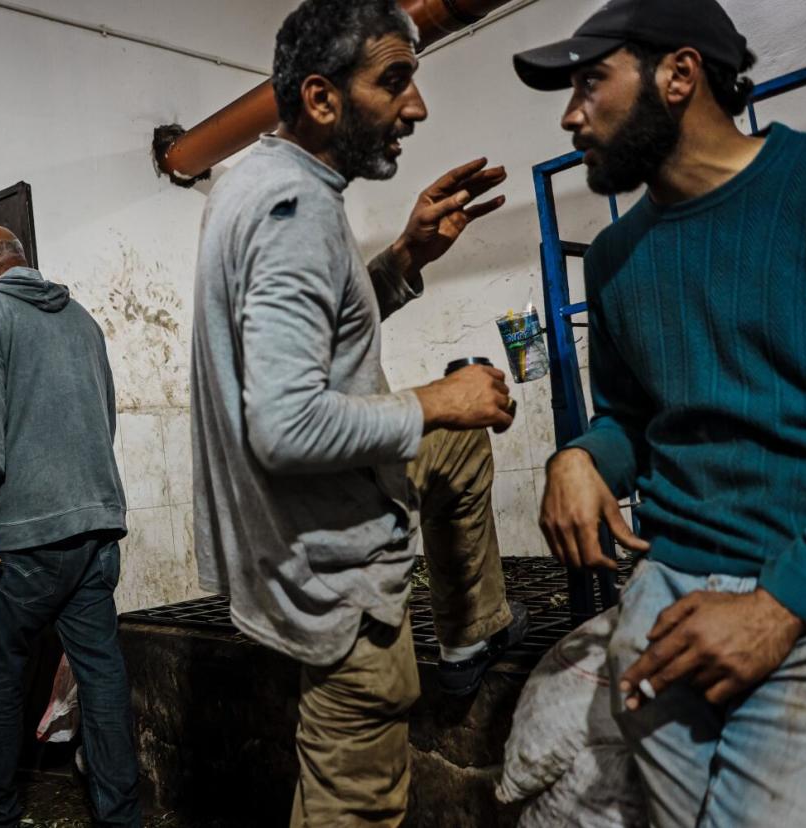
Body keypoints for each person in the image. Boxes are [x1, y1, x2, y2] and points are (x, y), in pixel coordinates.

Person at [191, 1, 528, 824]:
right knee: (356, 802)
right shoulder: (296, 212)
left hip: (290, 534)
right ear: (321, 98)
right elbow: (287, 424)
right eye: (395, 82)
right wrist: (437, 398)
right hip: (331, 568)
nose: (416, 107)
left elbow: (317, 330)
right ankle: (457, 639)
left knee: (453, 452)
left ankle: (469, 635)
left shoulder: (254, 180)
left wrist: (406, 257)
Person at [517, 0, 806, 824]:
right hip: (664, 613)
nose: (569, 114)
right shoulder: (618, 257)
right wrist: (581, 456)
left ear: (679, 74)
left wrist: (780, 607)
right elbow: (632, 418)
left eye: (591, 81)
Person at [0, 226, 140, 828]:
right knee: (101, 673)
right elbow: (104, 419)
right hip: (96, 530)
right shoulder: (83, 320)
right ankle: (122, 815)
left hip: (21, 542)